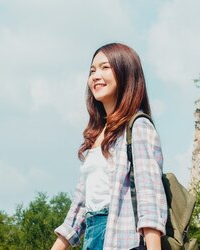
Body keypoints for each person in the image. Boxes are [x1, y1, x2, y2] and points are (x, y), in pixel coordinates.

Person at [51, 43, 167, 250]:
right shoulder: (97, 135)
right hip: (94, 237)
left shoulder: (138, 126)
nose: (96, 75)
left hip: (121, 238)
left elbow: (149, 199)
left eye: (105, 67)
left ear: (126, 73)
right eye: (92, 70)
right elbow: (79, 207)